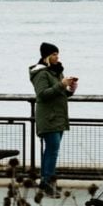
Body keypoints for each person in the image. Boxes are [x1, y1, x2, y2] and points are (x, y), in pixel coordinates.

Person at [28, 42, 78, 197]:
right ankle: (49, 183)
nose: (57, 57)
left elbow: (58, 93)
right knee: (52, 151)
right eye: (54, 54)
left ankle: (45, 182)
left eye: (58, 54)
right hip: (48, 117)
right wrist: (61, 85)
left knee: (51, 150)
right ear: (46, 56)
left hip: (58, 116)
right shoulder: (41, 73)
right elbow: (42, 94)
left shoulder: (56, 72)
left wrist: (70, 90)